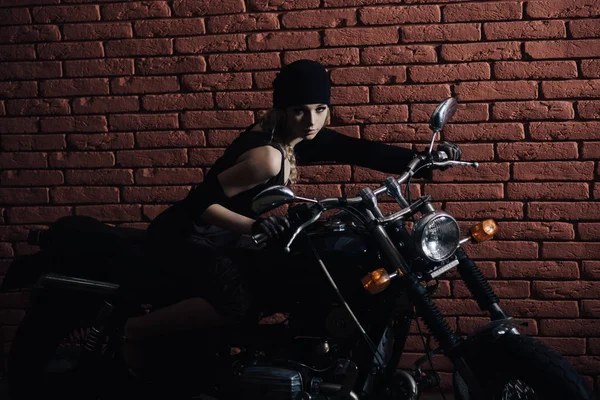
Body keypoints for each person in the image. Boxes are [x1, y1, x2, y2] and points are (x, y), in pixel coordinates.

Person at [121, 59, 461, 369]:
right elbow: (197, 204)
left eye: (320, 109)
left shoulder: (297, 135)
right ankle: (134, 330)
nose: (311, 121)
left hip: (230, 233)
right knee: (236, 301)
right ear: (282, 110)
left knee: (287, 275)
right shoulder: (266, 156)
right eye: (300, 110)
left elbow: (358, 149)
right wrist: (255, 225)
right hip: (187, 235)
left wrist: (426, 158)